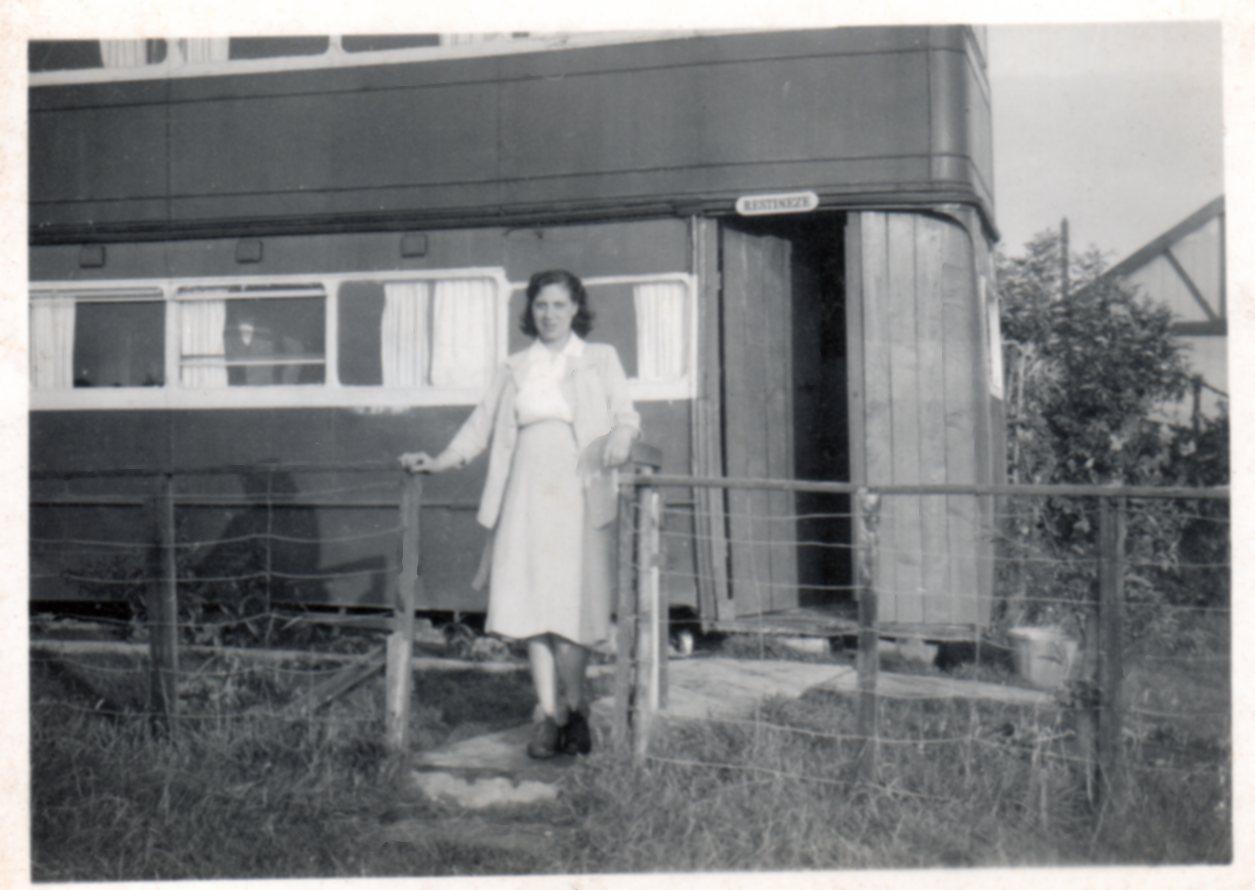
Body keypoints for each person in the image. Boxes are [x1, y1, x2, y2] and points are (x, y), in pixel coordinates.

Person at [399, 269, 640, 758]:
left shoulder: (599, 358)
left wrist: (621, 435)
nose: (549, 315)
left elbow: (626, 415)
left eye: (558, 305)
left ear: (575, 308)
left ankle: (577, 707)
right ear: (530, 311)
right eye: (540, 305)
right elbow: (479, 428)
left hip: (579, 494)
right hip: (525, 497)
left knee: (572, 611)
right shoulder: (514, 367)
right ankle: (550, 716)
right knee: (533, 611)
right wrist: (438, 461)